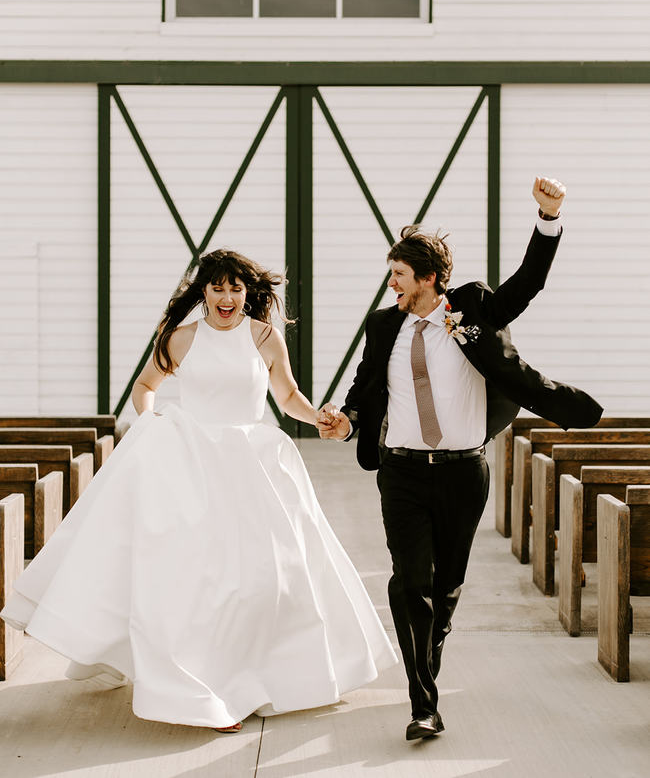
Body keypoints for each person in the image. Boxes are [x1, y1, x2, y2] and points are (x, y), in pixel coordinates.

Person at [1, 249, 396, 731]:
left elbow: (288, 397)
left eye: (236, 288)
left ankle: (258, 679)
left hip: (253, 465)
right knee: (198, 584)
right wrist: (153, 423)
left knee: (262, 580)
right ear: (203, 291)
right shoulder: (181, 339)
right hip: (190, 464)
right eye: (218, 288)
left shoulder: (265, 338)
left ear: (248, 293)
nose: (227, 297)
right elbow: (145, 386)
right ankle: (206, 693)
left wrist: (320, 418)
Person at [318, 177, 602, 742]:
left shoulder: (471, 309)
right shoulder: (383, 326)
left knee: (445, 588)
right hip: (400, 470)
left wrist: (548, 219)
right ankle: (424, 702)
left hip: (462, 472)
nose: (390, 282)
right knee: (408, 581)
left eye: (398, 274)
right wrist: (345, 420)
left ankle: (427, 661)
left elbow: (527, 285)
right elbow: (364, 389)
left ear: (427, 279)